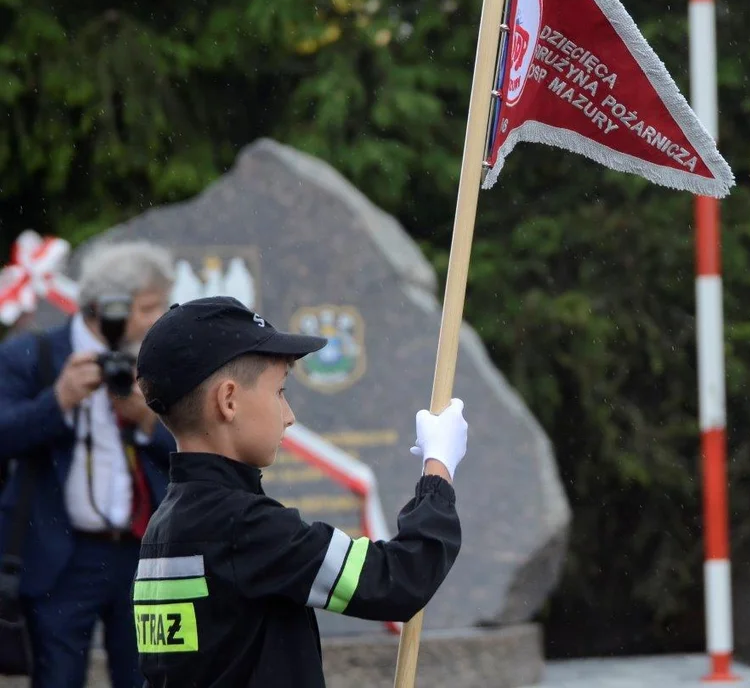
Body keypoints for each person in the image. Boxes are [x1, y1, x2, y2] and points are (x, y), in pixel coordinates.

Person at [131, 296, 465, 687]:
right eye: (280, 392)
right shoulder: (244, 527)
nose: (290, 415)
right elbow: (399, 579)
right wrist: (438, 469)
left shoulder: (165, 525)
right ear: (229, 400)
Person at [0, 240, 177, 688]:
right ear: (106, 309)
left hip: (142, 555)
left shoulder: (160, 363)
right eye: (150, 307)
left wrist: (145, 421)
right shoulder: (31, 356)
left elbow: (193, 452)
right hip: (61, 553)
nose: (161, 319)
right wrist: (56, 402)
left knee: (145, 678)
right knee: (58, 678)